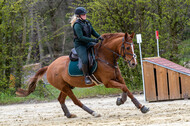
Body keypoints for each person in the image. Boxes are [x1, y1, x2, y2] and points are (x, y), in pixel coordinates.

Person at [70, 7, 103, 85]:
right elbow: (81, 38)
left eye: (85, 14)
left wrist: (100, 37)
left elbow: (93, 32)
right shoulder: (77, 25)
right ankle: (86, 76)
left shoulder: (87, 22)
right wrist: (93, 40)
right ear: (78, 16)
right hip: (80, 45)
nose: (85, 15)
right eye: (83, 14)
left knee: (101, 50)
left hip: (88, 43)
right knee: (85, 59)